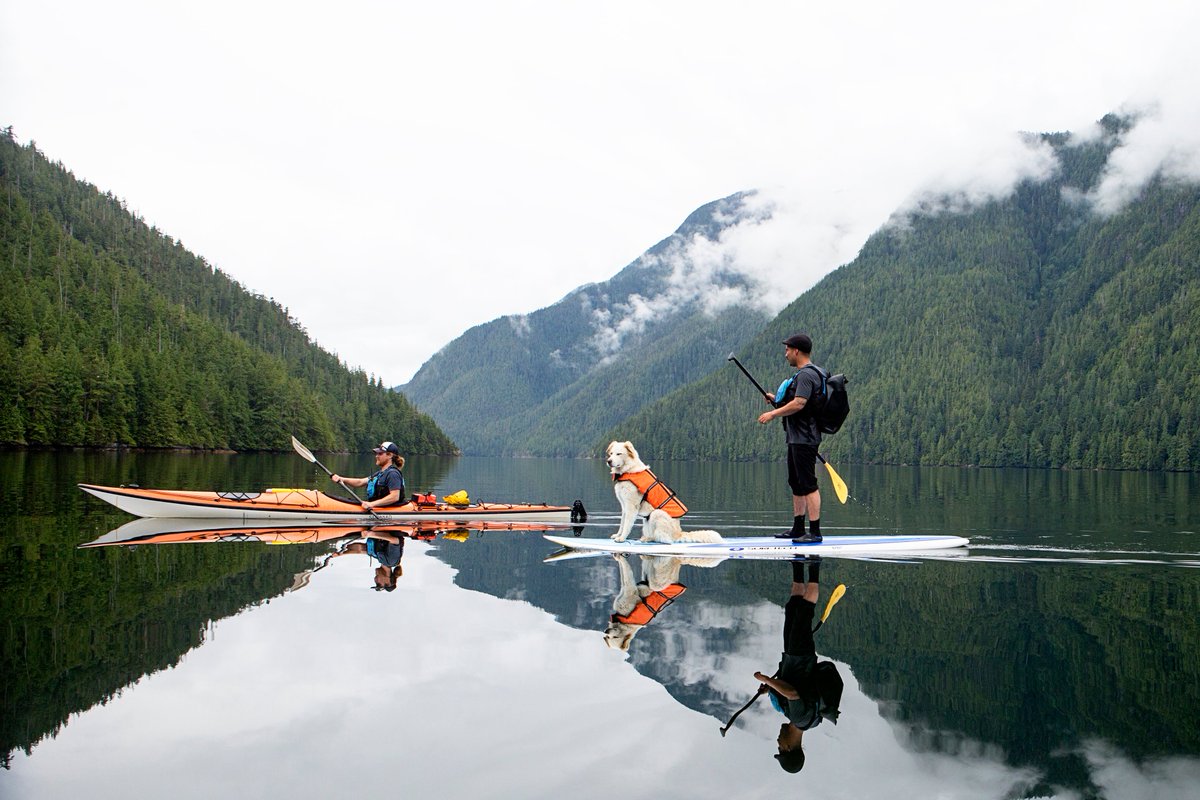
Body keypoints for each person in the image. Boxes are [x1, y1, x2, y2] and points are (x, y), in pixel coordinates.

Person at [753, 557, 843, 773]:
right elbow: (793, 693)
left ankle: (797, 561)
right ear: (789, 748)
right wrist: (766, 680)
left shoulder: (808, 722)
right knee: (804, 609)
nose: (777, 742)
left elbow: (792, 693)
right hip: (800, 657)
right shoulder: (800, 719)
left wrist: (771, 688)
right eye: (780, 747)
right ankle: (814, 563)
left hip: (793, 656)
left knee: (793, 608)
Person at [757, 333, 827, 543]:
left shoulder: (807, 375)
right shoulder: (805, 375)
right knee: (796, 483)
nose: (785, 353)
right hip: (796, 437)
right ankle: (798, 528)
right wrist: (776, 400)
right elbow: (796, 404)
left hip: (805, 438)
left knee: (808, 483)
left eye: (787, 349)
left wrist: (772, 413)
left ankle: (814, 532)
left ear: (797, 351)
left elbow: (799, 403)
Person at [330, 441, 406, 511]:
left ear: (389, 455)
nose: (376, 456)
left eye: (380, 453)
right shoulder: (380, 474)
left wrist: (372, 504)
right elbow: (360, 482)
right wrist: (341, 479)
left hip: (390, 509)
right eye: (376, 453)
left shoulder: (393, 474)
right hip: (377, 506)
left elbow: (395, 497)